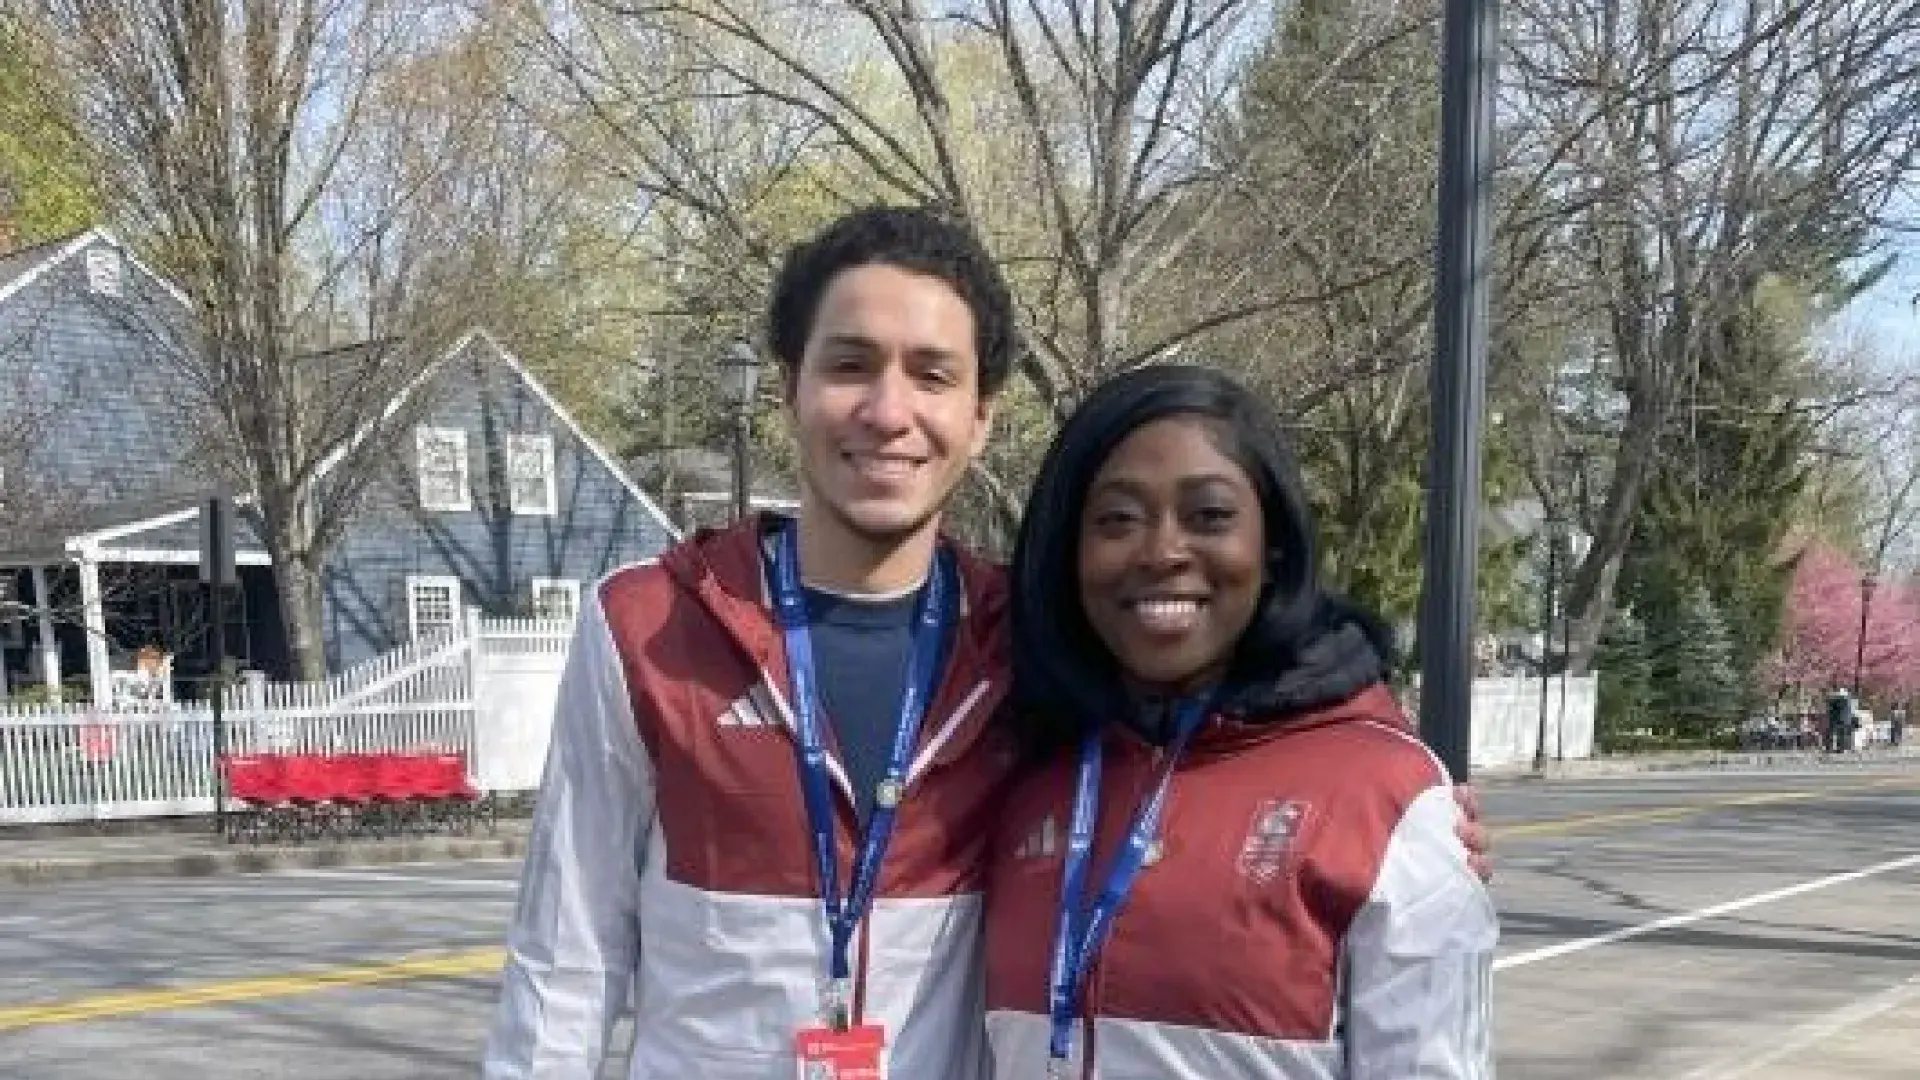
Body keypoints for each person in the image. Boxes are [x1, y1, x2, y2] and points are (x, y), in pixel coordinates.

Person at [481, 206, 1492, 1078]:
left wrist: (1402, 797)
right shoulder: (648, 625)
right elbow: (566, 964)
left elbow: (1232, 681)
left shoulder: (1029, 639)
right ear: (791, 385)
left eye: (931, 373)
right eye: (849, 366)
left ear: (979, 415)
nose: (888, 411)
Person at [983, 365, 1498, 1078]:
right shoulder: (1023, 772)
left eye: (1210, 516)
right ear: (1067, 552)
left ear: (1273, 545)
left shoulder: (1383, 792)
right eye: (1117, 520)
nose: (1163, 551)